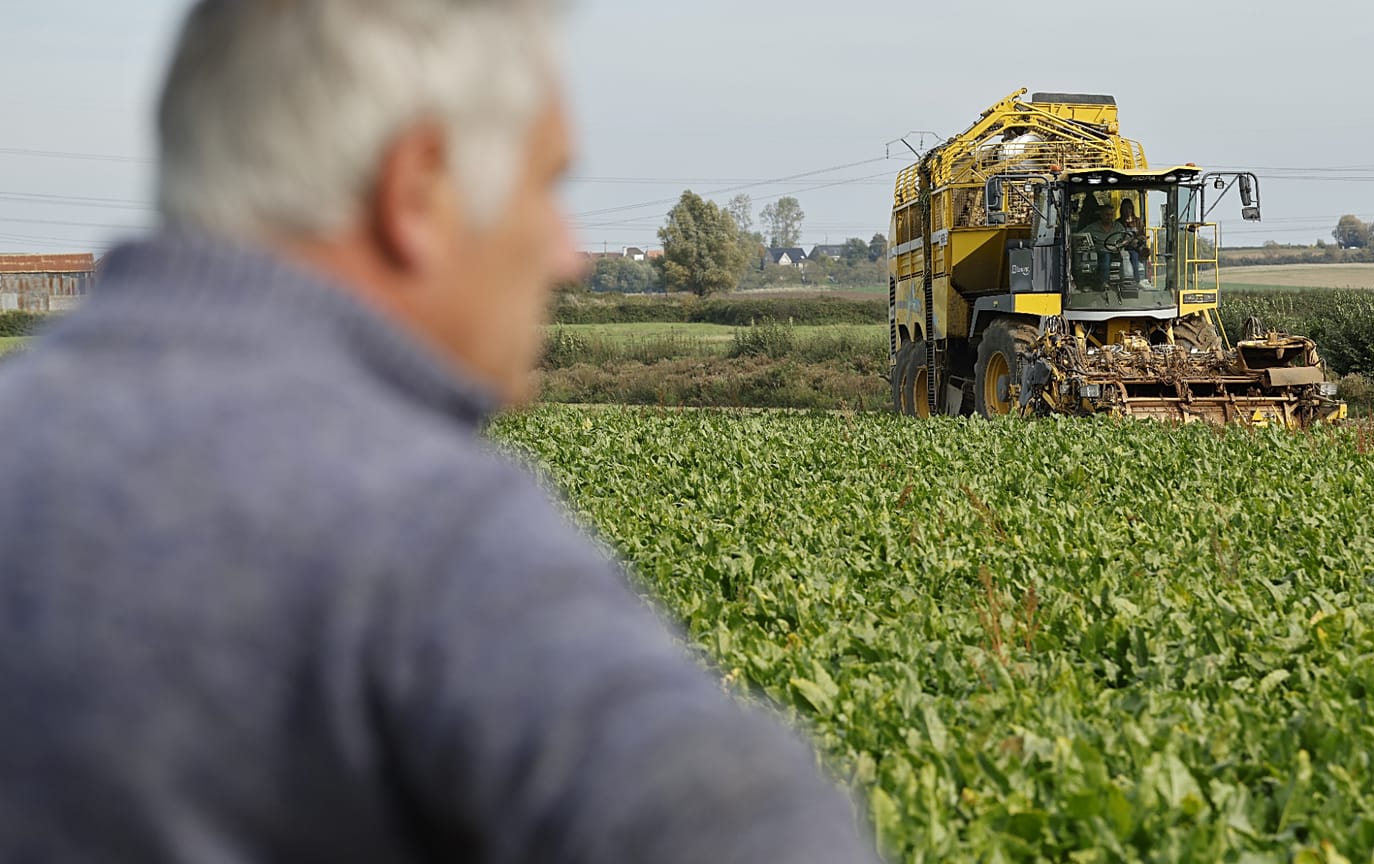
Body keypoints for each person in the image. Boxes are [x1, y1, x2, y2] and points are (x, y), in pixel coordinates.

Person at [0, 2, 880, 863]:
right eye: (547, 184)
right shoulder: (416, 524)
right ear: (415, 192)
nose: (569, 253)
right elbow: (730, 819)